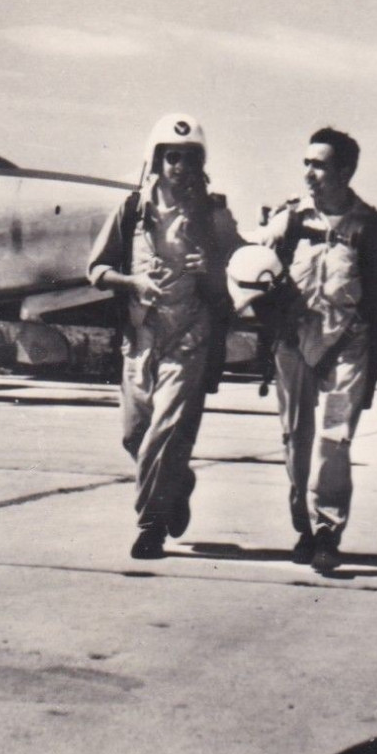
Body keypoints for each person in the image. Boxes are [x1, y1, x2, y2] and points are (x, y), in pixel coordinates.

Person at [88, 113, 242, 561]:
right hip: (140, 340)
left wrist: (212, 268)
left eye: (190, 158)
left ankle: (150, 526)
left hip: (189, 340)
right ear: (156, 159)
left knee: (166, 433)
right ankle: (178, 483)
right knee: (134, 437)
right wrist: (132, 283)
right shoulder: (132, 210)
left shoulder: (215, 216)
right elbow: (96, 270)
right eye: (172, 156)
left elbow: (241, 273)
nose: (180, 166)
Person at [259, 127, 377, 572]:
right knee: (295, 438)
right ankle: (303, 527)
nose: (309, 173)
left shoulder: (375, 230)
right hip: (294, 342)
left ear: (346, 171)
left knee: (335, 438)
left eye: (320, 165)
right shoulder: (288, 221)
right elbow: (252, 265)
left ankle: (327, 530)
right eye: (307, 163)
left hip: (349, 345)